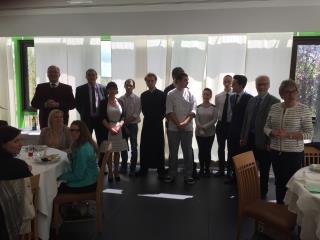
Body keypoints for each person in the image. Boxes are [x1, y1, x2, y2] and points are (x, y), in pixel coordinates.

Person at [264, 79, 313, 204]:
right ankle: (280, 208)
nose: (290, 95)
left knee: (292, 184)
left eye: (293, 91)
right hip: (276, 152)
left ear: (297, 93)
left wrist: (288, 135)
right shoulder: (274, 107)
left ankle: (291, 214)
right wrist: (271, 132)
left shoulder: (304, 109)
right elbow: (266, 127)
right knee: (279, 182)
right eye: (287, 92)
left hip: (294, 154)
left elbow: (309, 133)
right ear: (282, 94)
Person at [240, 75, 280, 199]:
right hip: (250, 139)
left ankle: (262, 193)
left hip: (264, 140)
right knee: (249, 168)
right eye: (259, 84)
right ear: (256, 85)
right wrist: (243, 137)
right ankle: (250, 190)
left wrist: (270, 142)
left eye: (264, 84)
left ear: (268, 85)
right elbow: (246, 120)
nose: (261, 86)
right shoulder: (251, 100)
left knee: (264, 169)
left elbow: (275, 124)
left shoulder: (275, 101)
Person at [165, 72, 197, 184]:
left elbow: (193, 112)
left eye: (187, 80)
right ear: (177, 81)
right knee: (173, 152)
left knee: (187, 152)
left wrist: (184, 123)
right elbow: (169, 111)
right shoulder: (170, 94)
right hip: (173, 128)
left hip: (187, 128)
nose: (187, 81)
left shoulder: (191, 94)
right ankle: (172, 174)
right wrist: (179, 124)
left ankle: (188, 175)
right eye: (185, 80)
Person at [57, 120, 99, 193]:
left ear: (82, 132)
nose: (73, 133)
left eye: (77, 131)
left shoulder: (83, 149)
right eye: (71, 130)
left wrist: (58, 177)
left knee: (55, 189)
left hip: (86, 184)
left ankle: (64, 202)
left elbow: (78, 176)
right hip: (91, 179)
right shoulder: (84, 144)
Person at [226, 75, 253, 183]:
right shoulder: (231, 97)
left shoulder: (250, 98)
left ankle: (241, 180)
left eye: (234, 83)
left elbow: (249, 119)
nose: (231, 85)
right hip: (232, 131)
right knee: (231, 154)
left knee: (241, 155)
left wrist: (245, 135)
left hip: (242, 133)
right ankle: (233, 177)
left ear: (242, 85)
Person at [99, 82, 128, 182]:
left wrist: (119, 126)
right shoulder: (103, 102)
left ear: (116, 90)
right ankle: (110, 171)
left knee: (117, 152)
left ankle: (116, 171)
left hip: (119, 129)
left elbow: (123, 116)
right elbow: (101, 117)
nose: (112, 90)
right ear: (107, 90)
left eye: (114, 88)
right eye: (110, 88)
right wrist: (110, 128)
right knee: (109, 153)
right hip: (107, 129)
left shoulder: (121, 101)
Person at [139, 73, 166, 178]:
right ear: (146, 82)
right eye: (148, 81)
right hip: (147, 123)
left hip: (158, 124)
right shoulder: (143, 95)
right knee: (145, 146)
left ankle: (161, 170)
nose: (150, 82)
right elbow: (144, 110)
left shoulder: (162, 94)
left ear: (155, 81)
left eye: (152, 80)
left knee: (159, 146)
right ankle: (143, 169)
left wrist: (158, 118)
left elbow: (164, 110)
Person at [75, 69, 106, 146]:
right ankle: (89, 156)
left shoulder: (103, 88)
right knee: (86, 140)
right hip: (87, 119)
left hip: (100, 119)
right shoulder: (80, 89)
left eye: (93, 75)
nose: (91, 77)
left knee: (101, 140)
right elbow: (77, 104)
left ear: (96, 77)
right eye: (89, 75)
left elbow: (106, 103)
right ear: (86, 77)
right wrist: (83, 113)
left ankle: (101, 157)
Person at [119, 79, 141, 176]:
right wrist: (123, 124)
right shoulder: (120, 99)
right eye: (127, 85)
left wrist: (124, 122)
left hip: (133, 125)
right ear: (124, 86)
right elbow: (119, 114)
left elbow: (135, 115)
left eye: (130, 85)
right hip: (122, 126)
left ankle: (132, 168)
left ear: (133, 87)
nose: (128, 87)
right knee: (123, 147)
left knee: (133, 147)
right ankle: (123, 166)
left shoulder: (137, 99)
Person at [195, 88, 218, 177]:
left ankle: (207, 169)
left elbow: (214, 120)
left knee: (207, 151)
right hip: (199, 133)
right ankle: (201, 169)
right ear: (202, 95)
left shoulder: (214, 107)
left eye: (208, 94)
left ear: (210, 96)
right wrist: (199, 126)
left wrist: (204, 126)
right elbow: (196, 119)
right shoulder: (198, 107)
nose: (206, 96)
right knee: (201, 151)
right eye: (204, 94)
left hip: (210, 133)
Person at [214, 75, 233, 177]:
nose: (227, 83)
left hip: (231, 125)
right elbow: (217, 111)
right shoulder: (218, 96)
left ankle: (229, 171)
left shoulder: (235, 95)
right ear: (222, 82)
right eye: (225, 81)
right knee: (221, 148)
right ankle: (221, 170)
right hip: (220, 124)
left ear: (232, 82)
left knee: (230, 149)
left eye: (229, 82)